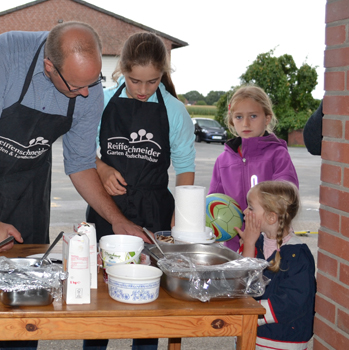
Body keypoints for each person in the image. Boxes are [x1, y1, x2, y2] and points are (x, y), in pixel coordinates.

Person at [0, 22, 146, 350]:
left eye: (93, 82)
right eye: (76, 86)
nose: (87, 93)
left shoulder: (89, 88)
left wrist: (116, 219)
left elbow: (81, 164)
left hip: (29, 177)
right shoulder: (1, 56)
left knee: (27, 295)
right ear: (49, 68)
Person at [82, 32, 196, 350]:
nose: (144, 90)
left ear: (163, 75)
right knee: (99, 300)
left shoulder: (174, 111)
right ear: (122, 71)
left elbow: (185, 167)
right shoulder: (101, 102)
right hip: (107, 208)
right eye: (135, 81)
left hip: (154, 211)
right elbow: (81, 153)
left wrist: (180, 216)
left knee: (149, 301)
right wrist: (101, 169)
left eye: (152, 82)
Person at [208, 86, 298, 252]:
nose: (246, 123)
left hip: (272, 244)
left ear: (267, 118)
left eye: (253, 116)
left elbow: (287, 195)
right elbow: (212, 203)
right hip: (234, 247)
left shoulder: (278, 154)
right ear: (231, 120)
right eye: (239, 117)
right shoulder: (223, 161)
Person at [235, 181, 316, 350]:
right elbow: (242, 285)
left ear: (271, 217)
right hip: (250, 334)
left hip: (281, 342)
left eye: (251, 208)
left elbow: (293, 301)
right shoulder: (257, 242)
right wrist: (248, 245)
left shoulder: (297, 256)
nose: (244, 212)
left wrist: (251, 314)